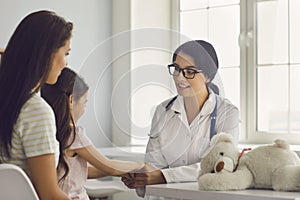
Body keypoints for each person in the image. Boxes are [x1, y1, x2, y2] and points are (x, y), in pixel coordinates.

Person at [121, 40, 239, 193]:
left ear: (208, 76)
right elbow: (154, 163)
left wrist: (164, 176)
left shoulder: (227, 113)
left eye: (189, 72)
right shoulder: (163, 111)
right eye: (176, 69)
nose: (179, 78)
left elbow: (219, 164)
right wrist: (141, 177)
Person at [41, 67, 145, 200]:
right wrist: (140, 165)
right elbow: (110, 167)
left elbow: (77, 172)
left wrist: (123, 170)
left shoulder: (49, 131)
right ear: (71, 100)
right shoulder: (74, 135)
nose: (84, 109)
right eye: (84, 103)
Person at [0, 10, 73, 199]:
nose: (65, 63)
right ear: (47, 53)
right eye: (65, 53)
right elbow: (49, 195)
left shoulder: (8, 104)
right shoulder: (36, 111)